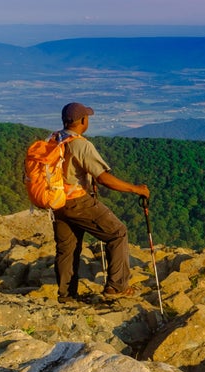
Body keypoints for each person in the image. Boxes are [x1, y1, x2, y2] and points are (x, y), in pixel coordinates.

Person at [52, 102, 150, 303]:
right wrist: (136, 189)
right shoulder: (80, 144)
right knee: (117, 233)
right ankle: (117, 287)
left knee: (67, 249)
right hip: (78, 201)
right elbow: (104, 178)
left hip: (57, 202)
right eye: (86, 117)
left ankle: (66, 296)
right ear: (82, 121)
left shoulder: (53, 140)